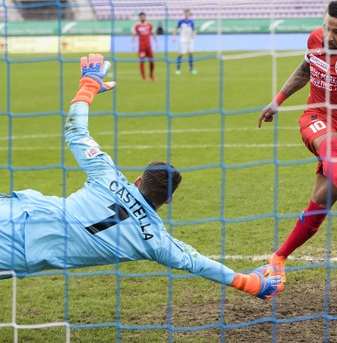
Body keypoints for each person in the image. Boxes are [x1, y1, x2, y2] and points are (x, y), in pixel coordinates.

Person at [0, 54, 282, 300]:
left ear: (137, 180)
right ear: (169, 199)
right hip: (20, 253)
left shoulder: (106, 175)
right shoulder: (154, 241)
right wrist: (251, 283)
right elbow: (196, 262)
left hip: (16, 210)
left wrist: (87, 87)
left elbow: (75, 132)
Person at [256, 0, 337, 292]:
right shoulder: (316, 38)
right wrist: (277, 101)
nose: (330, 36)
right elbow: (305, 70)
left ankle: (278, 257)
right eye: (327, 27)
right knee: (328, 145)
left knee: (319, 206)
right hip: (315, 116)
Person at [132, 12, 158, 82]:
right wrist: (133, 44)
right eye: (141, 16)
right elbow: (133, 35)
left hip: (149, 47)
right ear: (139, 17)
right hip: (141, 47)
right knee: (142, 62)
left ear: (145, 17)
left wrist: (156, 42)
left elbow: (153, 33)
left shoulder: (149, 25)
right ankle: (144, 78)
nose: (142, 17)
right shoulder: (137, 26)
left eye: (143, 16)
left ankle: (151, 75)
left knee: (152, 61)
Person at [171, 9, 197, 75]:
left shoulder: (191, 22)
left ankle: (191, 69)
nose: (187, 14)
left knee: (191, 53)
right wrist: (174, 37)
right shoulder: (181, 21)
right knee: (181, 54)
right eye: (186, 13)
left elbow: (194, 30)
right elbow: (175, 29)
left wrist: (194, 34)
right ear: (184, 13)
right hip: (183, 40)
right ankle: (178, 68)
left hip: (190, 40)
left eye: (188, 13)